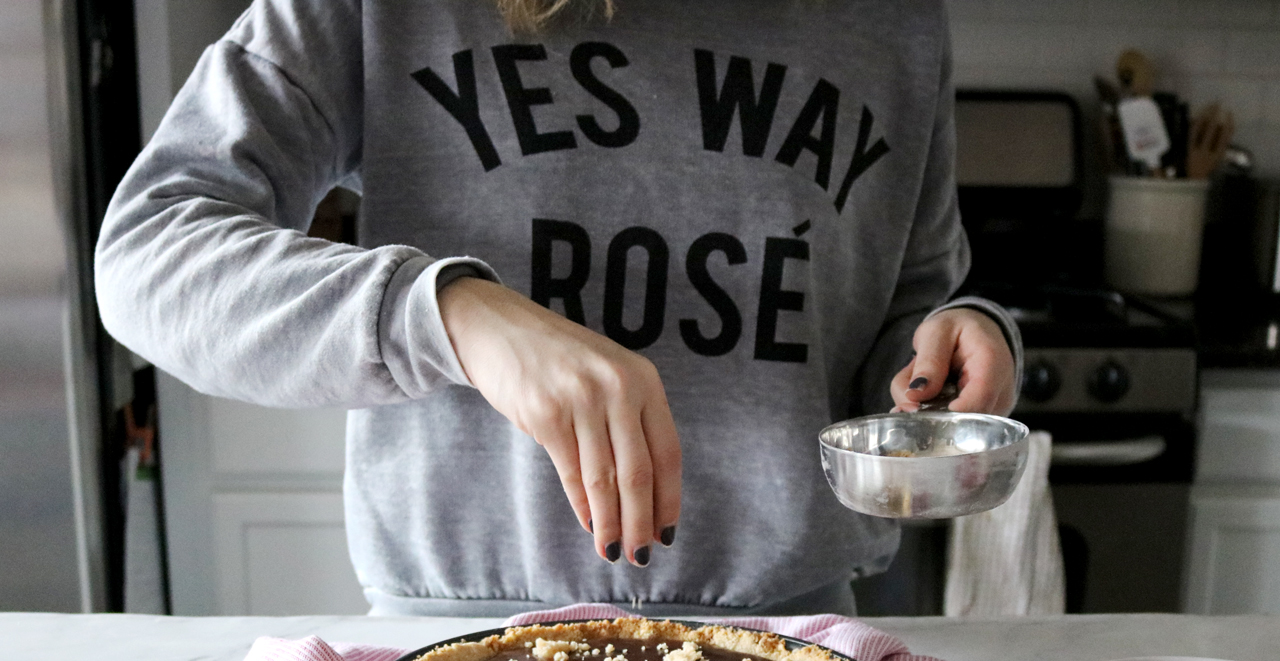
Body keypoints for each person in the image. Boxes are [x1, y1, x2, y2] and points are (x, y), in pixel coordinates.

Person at [96, 0, 1021, 618]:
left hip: (797, 631)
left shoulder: (895, 19)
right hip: (460, 632)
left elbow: (909, 296)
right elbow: (148, 254)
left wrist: (950, 347)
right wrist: (449, 313)